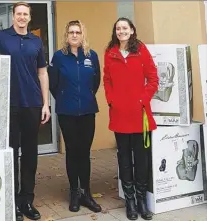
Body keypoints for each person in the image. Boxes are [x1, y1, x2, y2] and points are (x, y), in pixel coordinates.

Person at [0, 2, 51, 221]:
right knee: (11, 154)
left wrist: (46, 104)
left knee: (31, 155)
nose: (22, 17)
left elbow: (42, 73)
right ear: (13, 16)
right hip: (9, 105)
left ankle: (27, 201)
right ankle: (12, 201)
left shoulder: (35, 41)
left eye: (25, 14)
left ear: (29, 17)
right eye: (19, 14)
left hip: (32, 104)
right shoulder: (2, 37)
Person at [103, 17, 158, 220]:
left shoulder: (141, 50)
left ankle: (142, 200)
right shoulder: (110, 53)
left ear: (132, 30)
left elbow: (153, 78)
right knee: (124, 159)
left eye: (125, 28)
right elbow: (106, 80)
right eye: (118, 28)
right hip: (119, 114)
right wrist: (111, 100)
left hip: (139, 114)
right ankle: (130, 201)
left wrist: (143, 99)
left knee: (141, 159)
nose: (121, 31)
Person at [48, 20, 102, 213]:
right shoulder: (59, 57)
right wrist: (65, 98)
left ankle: (86, 193)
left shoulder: (91, 56)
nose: (74, 35)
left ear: (82, 34)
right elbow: (53, 84)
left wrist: (85, 96)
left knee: (84, 152)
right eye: (71, 32)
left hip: (87, 111)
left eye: (77, 32)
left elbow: (96, 81)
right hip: (67, 112)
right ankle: (74, 193)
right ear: (66, 35)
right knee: (72, 151)